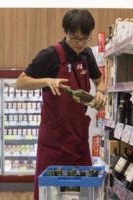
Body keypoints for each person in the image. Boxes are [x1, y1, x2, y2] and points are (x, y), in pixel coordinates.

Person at [16, 9, 106, 200]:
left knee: (81, 192)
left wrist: (100, 91)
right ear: (66, 32)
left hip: (79, 137)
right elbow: (20, 82)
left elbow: (99, 80)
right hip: (54, 139)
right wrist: (47, 81)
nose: (80, 43)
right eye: (75, 38)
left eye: (85, 38)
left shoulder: (87, 55)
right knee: (52, 192)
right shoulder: (50, 55)